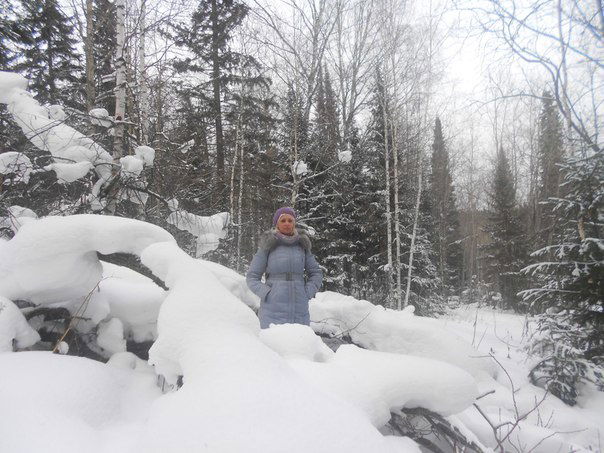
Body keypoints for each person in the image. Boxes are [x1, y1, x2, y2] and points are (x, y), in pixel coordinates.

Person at [246, 207, 323, 329]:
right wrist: (267, 293)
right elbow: (252, 277)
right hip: (272, 310)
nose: (287, 223)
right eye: (283, 221)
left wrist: (307, 292)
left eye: (290, 220)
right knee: (272, 345)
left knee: (299, 344)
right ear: (277, 223)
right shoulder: (268, 246)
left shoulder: (302, 246)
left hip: (299, 310)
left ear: (294, 223)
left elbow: (316, 273)